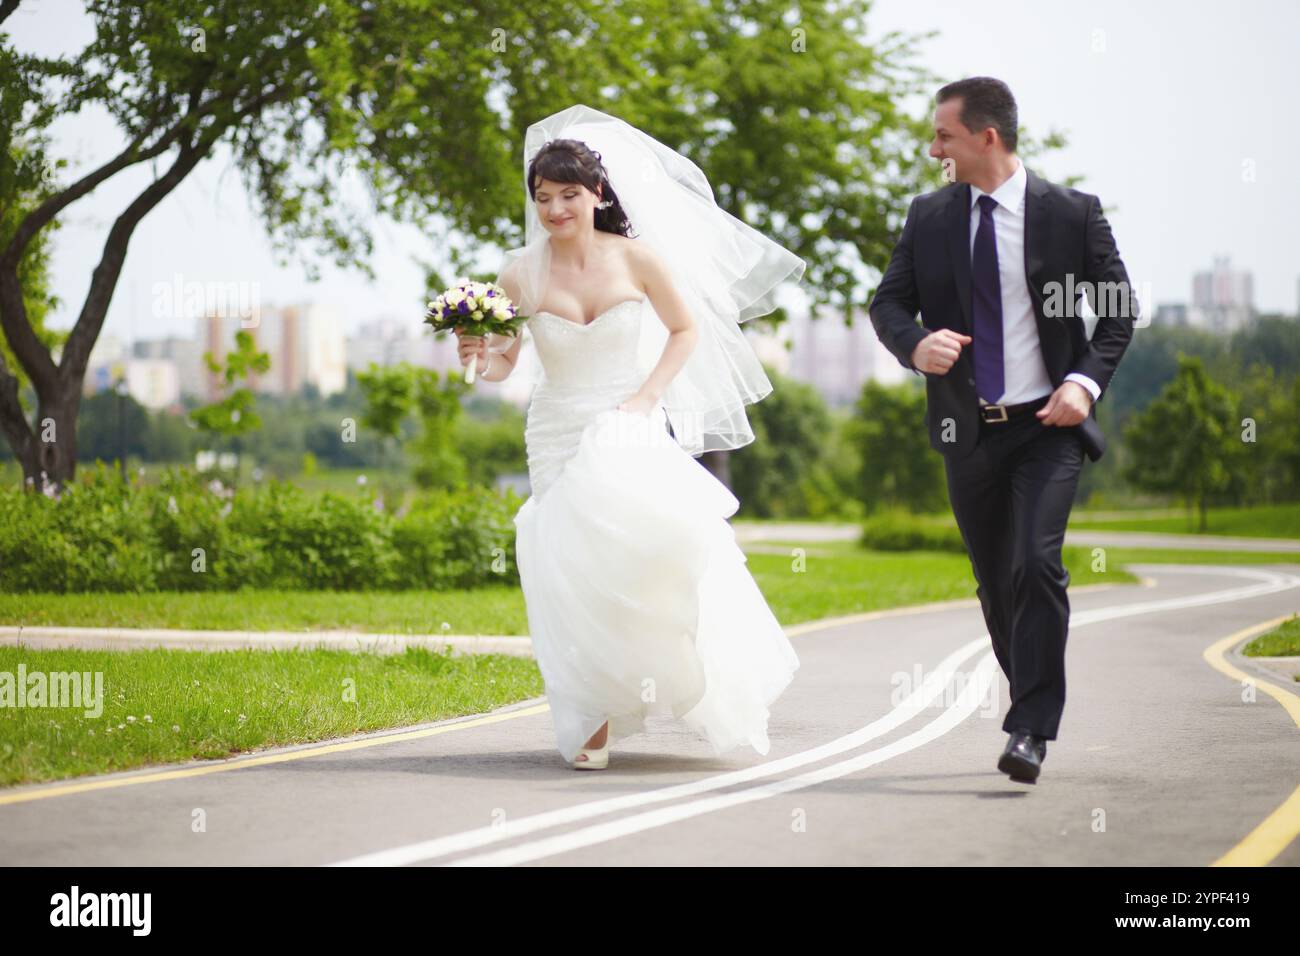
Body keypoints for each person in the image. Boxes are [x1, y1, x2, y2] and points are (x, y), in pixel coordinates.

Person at [455, 105, 805, 770]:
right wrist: (474, 352)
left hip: (628, 421)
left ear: (597, 196)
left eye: (569, 196)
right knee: (567, 570)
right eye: (543, 198)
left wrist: (646, 399)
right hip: (556, 429)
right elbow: (501, 365)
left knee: (657, 553)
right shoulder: (518, 273)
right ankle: (589, 717)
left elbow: (686, 331)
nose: (555, 210)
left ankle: (688, 680)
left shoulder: (638, 259)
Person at [868, 77, 1138, 784]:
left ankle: (1030, 729)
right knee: (995, 584)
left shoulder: (1071, 215)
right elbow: (887, 303)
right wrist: (914, 345)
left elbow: (1116, 312)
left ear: (987, 137)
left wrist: (1083, 384)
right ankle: (1031, 696)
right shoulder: (929, 217)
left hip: (1047, 427)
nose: (934, 151)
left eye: (943, 137)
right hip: (967, 432)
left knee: (1035, 565)